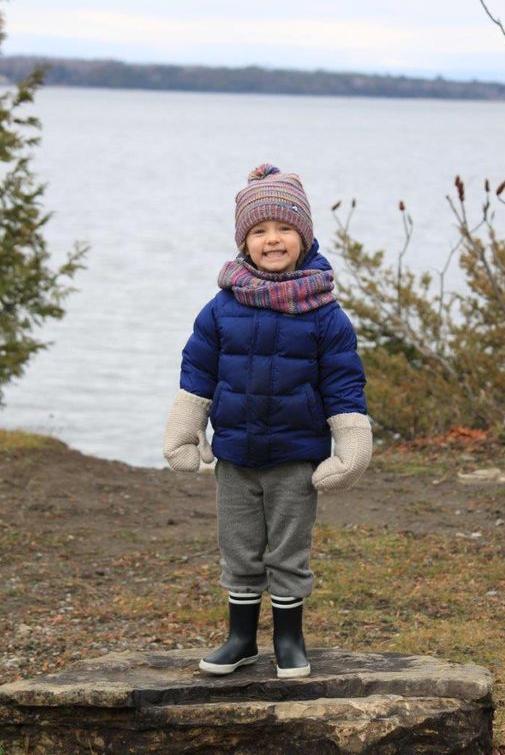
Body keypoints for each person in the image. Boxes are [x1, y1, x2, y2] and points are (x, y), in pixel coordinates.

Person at [163, 163, 372, 679]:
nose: (271, 240)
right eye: (259, 231)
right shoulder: (221, 307)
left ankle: (288, 640)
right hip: (234, 456)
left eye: (283, 229)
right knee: (238, 549)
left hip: (295, 459)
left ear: (303, 236)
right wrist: (186, 430)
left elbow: (343, 382)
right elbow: (198, 371)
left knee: (288, 550)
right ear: (244, 242)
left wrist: (351, 443)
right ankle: (239, 639)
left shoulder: (325, 312)